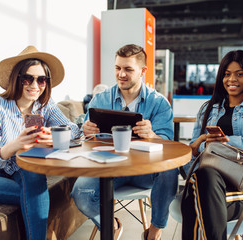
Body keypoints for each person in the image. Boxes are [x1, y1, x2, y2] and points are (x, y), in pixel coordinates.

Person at [0, 46, 82, 240]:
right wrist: (16, 144)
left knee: (33, 176)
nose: (35, 85)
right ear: (16, 78)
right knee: (35, 193)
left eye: (42, 79)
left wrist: (53, 134)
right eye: (28, 78)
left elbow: (74, 130)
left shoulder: (44, 105)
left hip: (22, 170)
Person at [71, 44, 177, 240]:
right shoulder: (99, 100)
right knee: (81, 192)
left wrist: (153, 135)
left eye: (128, 69)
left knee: (170, 170)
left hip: (145, 171)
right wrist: (86, 132)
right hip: (110, 170)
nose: (121, 74)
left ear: (143, 71)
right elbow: (85, 140)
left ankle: (154, 233)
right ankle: (111, 225)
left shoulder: (160, 103)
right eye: (118, 68)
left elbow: (169, 145)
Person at [181, 50, 243, 240]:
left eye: (239, 74)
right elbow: (193, 149)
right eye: (227, 73)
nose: (231, 79)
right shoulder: (208, 108)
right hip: (208, 183)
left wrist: (213, 142)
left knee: (194, 192)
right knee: (203, 177)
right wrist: (202, 142)